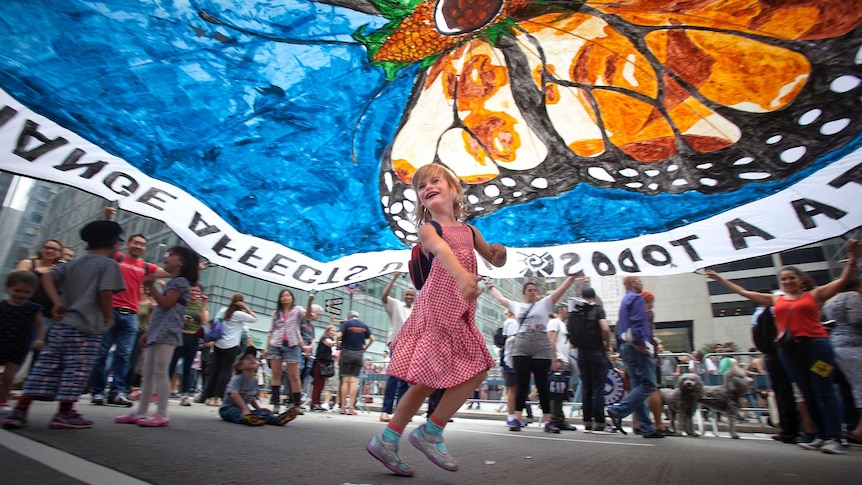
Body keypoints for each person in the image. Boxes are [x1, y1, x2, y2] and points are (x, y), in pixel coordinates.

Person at [366, 164, 507, 477]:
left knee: (477, 367)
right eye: (420, 186)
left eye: (434, 180)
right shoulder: (429, 229)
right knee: (429, 378)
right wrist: (461, 276)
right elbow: (441, 251)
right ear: (420, 200)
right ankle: (405, 436)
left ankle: (412, 434)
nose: (427, 186)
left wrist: (499, 254)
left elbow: (491, 258)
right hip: (437, 307)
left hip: (460, 309)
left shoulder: (470, 231)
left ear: (454, 189)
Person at [706, 238, 860, 454]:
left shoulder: (814, 295)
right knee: (807, 393)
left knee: (823, 391)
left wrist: (853, 256)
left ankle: (834, 437)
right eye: (784, 279)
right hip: (790, 351)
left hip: (817, 349)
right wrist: (718, 278)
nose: (787, 282)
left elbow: (843, 280)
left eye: (791, 278)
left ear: (801, 280)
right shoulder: (776, 300)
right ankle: (820, 435)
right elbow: (743, 293)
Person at [2, 220, 126, 429]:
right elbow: (105, 293)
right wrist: (109, 317)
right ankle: (65, 412)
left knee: (45, 366)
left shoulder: (75, 263)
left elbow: (48, 278)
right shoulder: (109, 265)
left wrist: (57, 302)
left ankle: (20, 409)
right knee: (76, 370)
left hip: (63, 324)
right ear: (114, 243)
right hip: (88, 326)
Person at [115, 246, 199, 427]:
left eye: (171, 255)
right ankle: (141, 411)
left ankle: (162, 413)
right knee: (148, 373)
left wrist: (150, 285)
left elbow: (166, 304)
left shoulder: (180, 282)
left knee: (160, 372)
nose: (165, 258)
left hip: (167, 332)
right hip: (158, 331)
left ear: (182, 261)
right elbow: (161, 310)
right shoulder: (174, 282)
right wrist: (148, 332)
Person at [90, 218, 169, 407]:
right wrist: (109, 218)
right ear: (127, 245)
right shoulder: (116, 258)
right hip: (110, 311)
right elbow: (102, 241)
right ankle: (98, 392)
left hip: (131, 315)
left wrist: (192, 266)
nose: (139, 246)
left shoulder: (145, 267)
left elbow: (168, 272)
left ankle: (117, 392)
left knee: (124, 356)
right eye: (135, 243)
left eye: (142, 244)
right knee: (101, 353)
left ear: (145, 248)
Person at [486, 276, 575, 433]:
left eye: (535, 290)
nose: (532, 292)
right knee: (522, 383)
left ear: (538, 293)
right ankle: (517, 419)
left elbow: (561, 289)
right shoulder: (517, 306)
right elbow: (500, 299)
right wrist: (490, 286)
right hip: (521, 348)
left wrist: (572, 277)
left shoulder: (545, 304)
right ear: (524, 293)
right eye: (529, 290)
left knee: (542, 384)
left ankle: (549, 421)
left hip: (542, 348)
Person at [606, 276, 664, 438]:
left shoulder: (625, 301)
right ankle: (618, 410)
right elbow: (638, 321)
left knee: (638, 385)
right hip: (636, 346)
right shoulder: (637, 299)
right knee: (649, 384)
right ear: (632, 284)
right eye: (639, 281)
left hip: (625, 347)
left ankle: (646, 427)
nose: (642, 283)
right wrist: (641, 343)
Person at [216, 346, 299, 426]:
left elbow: (251, 397)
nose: (252, 359)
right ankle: (247, 419)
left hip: (244, 407)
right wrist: (245, 409)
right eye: (247, 358)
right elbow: (234, 394)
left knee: (260, 413)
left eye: (254, 358)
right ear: (239, 366)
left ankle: (275, 419)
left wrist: (258, 408)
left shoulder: (254, 380)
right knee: (235, 412)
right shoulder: (237, 379)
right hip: (228, 408)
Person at [0, 271, 46, 413]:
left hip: (18, 345)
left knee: (9, 376)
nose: (21, 295)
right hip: (1, 342)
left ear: (33, 292)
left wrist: (39, 339)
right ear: (8, 288)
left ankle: (3, 400)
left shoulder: (33, 308)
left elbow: (41, 325)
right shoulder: (2, 305)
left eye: (27, 292)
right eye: (17, 290)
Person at [823, 277, 862, 443]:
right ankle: (859, 430)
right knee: (859, 386)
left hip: (835, 346)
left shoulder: (830, 301)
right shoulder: (852, 296)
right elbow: (857, 319)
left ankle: (850, 425)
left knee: (846, 390)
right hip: (852, 346)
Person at [203, 293, 257, 407]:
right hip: (231, 345)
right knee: (225, 372)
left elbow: (216, 323)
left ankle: (208, 396)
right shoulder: (239, 314)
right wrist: (245, 307)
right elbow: (254, 318)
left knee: (215, 370)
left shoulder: (223, 311)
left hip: (218, 343)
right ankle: (219, 396)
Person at [571, 287, 612, 433]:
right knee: (598, 388)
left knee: (586, 388)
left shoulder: (577, 312)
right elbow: (605, 329)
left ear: (582, 296)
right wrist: (608, 345)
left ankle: (587, 421)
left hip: (582, 353)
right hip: (596, 351)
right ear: (594, 297)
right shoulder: (597, 309)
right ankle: (600, 422)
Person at [265, 289, 309, 413]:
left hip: (292, 345)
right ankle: (276, 404)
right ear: (280, 299)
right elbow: (271, 331)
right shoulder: (276, 313)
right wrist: (266, 348)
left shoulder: (297, 310)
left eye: (287, 295)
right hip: (276, 344)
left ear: (292, 298)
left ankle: (296, 404)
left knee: (294, 375)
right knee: (276, 374)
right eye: (282, 296)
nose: (285, 298)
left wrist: (310, 301)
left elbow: (309, 316)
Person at [13, 238, 63, 347]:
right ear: (41, 249)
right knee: (15, 344)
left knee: (39, 346)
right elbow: (15, 280)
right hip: (22, 309)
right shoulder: (28, 263)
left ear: (60, 253)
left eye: (54, 249)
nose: (50, 251)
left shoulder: (60, 270)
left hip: (46, 313)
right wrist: (37, 271)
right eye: (47, 248)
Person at [380, 272, 415, 422]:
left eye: (411, 295)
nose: (409, 297)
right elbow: (383, 297)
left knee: (405, 380)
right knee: (394, 377)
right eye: (407, 294)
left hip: (411, 346)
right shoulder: (395, 304)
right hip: (396, 343)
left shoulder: (416, 309)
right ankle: (385, 410)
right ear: (403, 295)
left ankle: (400, 412)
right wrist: (393, 278)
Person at [168, 283, 208, 406]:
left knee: (188, 367)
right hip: (179, 335)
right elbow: (172, 315)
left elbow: (203, 321)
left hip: (193, 337)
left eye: (197, 291)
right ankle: (164, 392)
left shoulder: (200, 306)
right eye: (192, 290)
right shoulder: (182, 302)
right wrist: (183, 318)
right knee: (171, 365)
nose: (194, 293)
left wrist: (203, 304)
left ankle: (185, 394)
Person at [337, 310, 374, 416]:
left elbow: (339, 335)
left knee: (345, 381)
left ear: (349, 317)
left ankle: (343, 407)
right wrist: (365, 348)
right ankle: (351, 408)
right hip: (358, 354)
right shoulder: (364, 325)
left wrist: (337, 344)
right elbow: (372, 338)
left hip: (347, 353)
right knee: (353, 381)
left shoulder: (346, 324)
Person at [547, 302, 576, 430]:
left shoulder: (563, 325)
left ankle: (559, 418)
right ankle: (555, 419)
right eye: (565, 308)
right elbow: (551, 340)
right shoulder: (554, 322)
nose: (567, 311)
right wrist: (554, 359)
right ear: (560, 310)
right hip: (557, 360)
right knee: (556, 391)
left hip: (564, 360)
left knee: (561, 391)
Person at [310, 325, 337, 411]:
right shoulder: (324, 338)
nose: (334, 333)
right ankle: (314, 403)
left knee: (321, 385)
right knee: (317, 384)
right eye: (332, 331)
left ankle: (317, 402)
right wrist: (338, 341)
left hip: (324, 364)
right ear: (328, 331)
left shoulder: (330, 340)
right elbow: (329, 343)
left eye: (335, 331)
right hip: (319, 364)